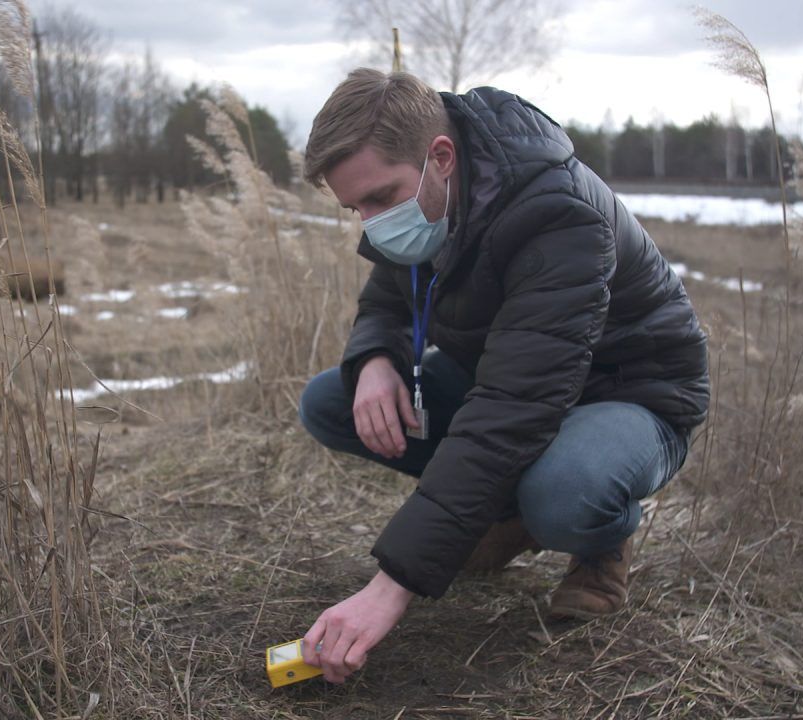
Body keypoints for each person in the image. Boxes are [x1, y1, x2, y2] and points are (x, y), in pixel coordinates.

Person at [296, 68, 709, 685]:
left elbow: (513, 406)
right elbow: (390, 294)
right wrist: (378, 359)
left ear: (441, 156)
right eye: (355, 208)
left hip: (631, 394)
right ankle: (505, 511)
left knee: (565, 492)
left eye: (379, 199)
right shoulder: (425, 197)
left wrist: (393, 585)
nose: (372, 222)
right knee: (335, 398)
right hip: (509, 379)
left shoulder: (557, 211)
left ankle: (601, 537)